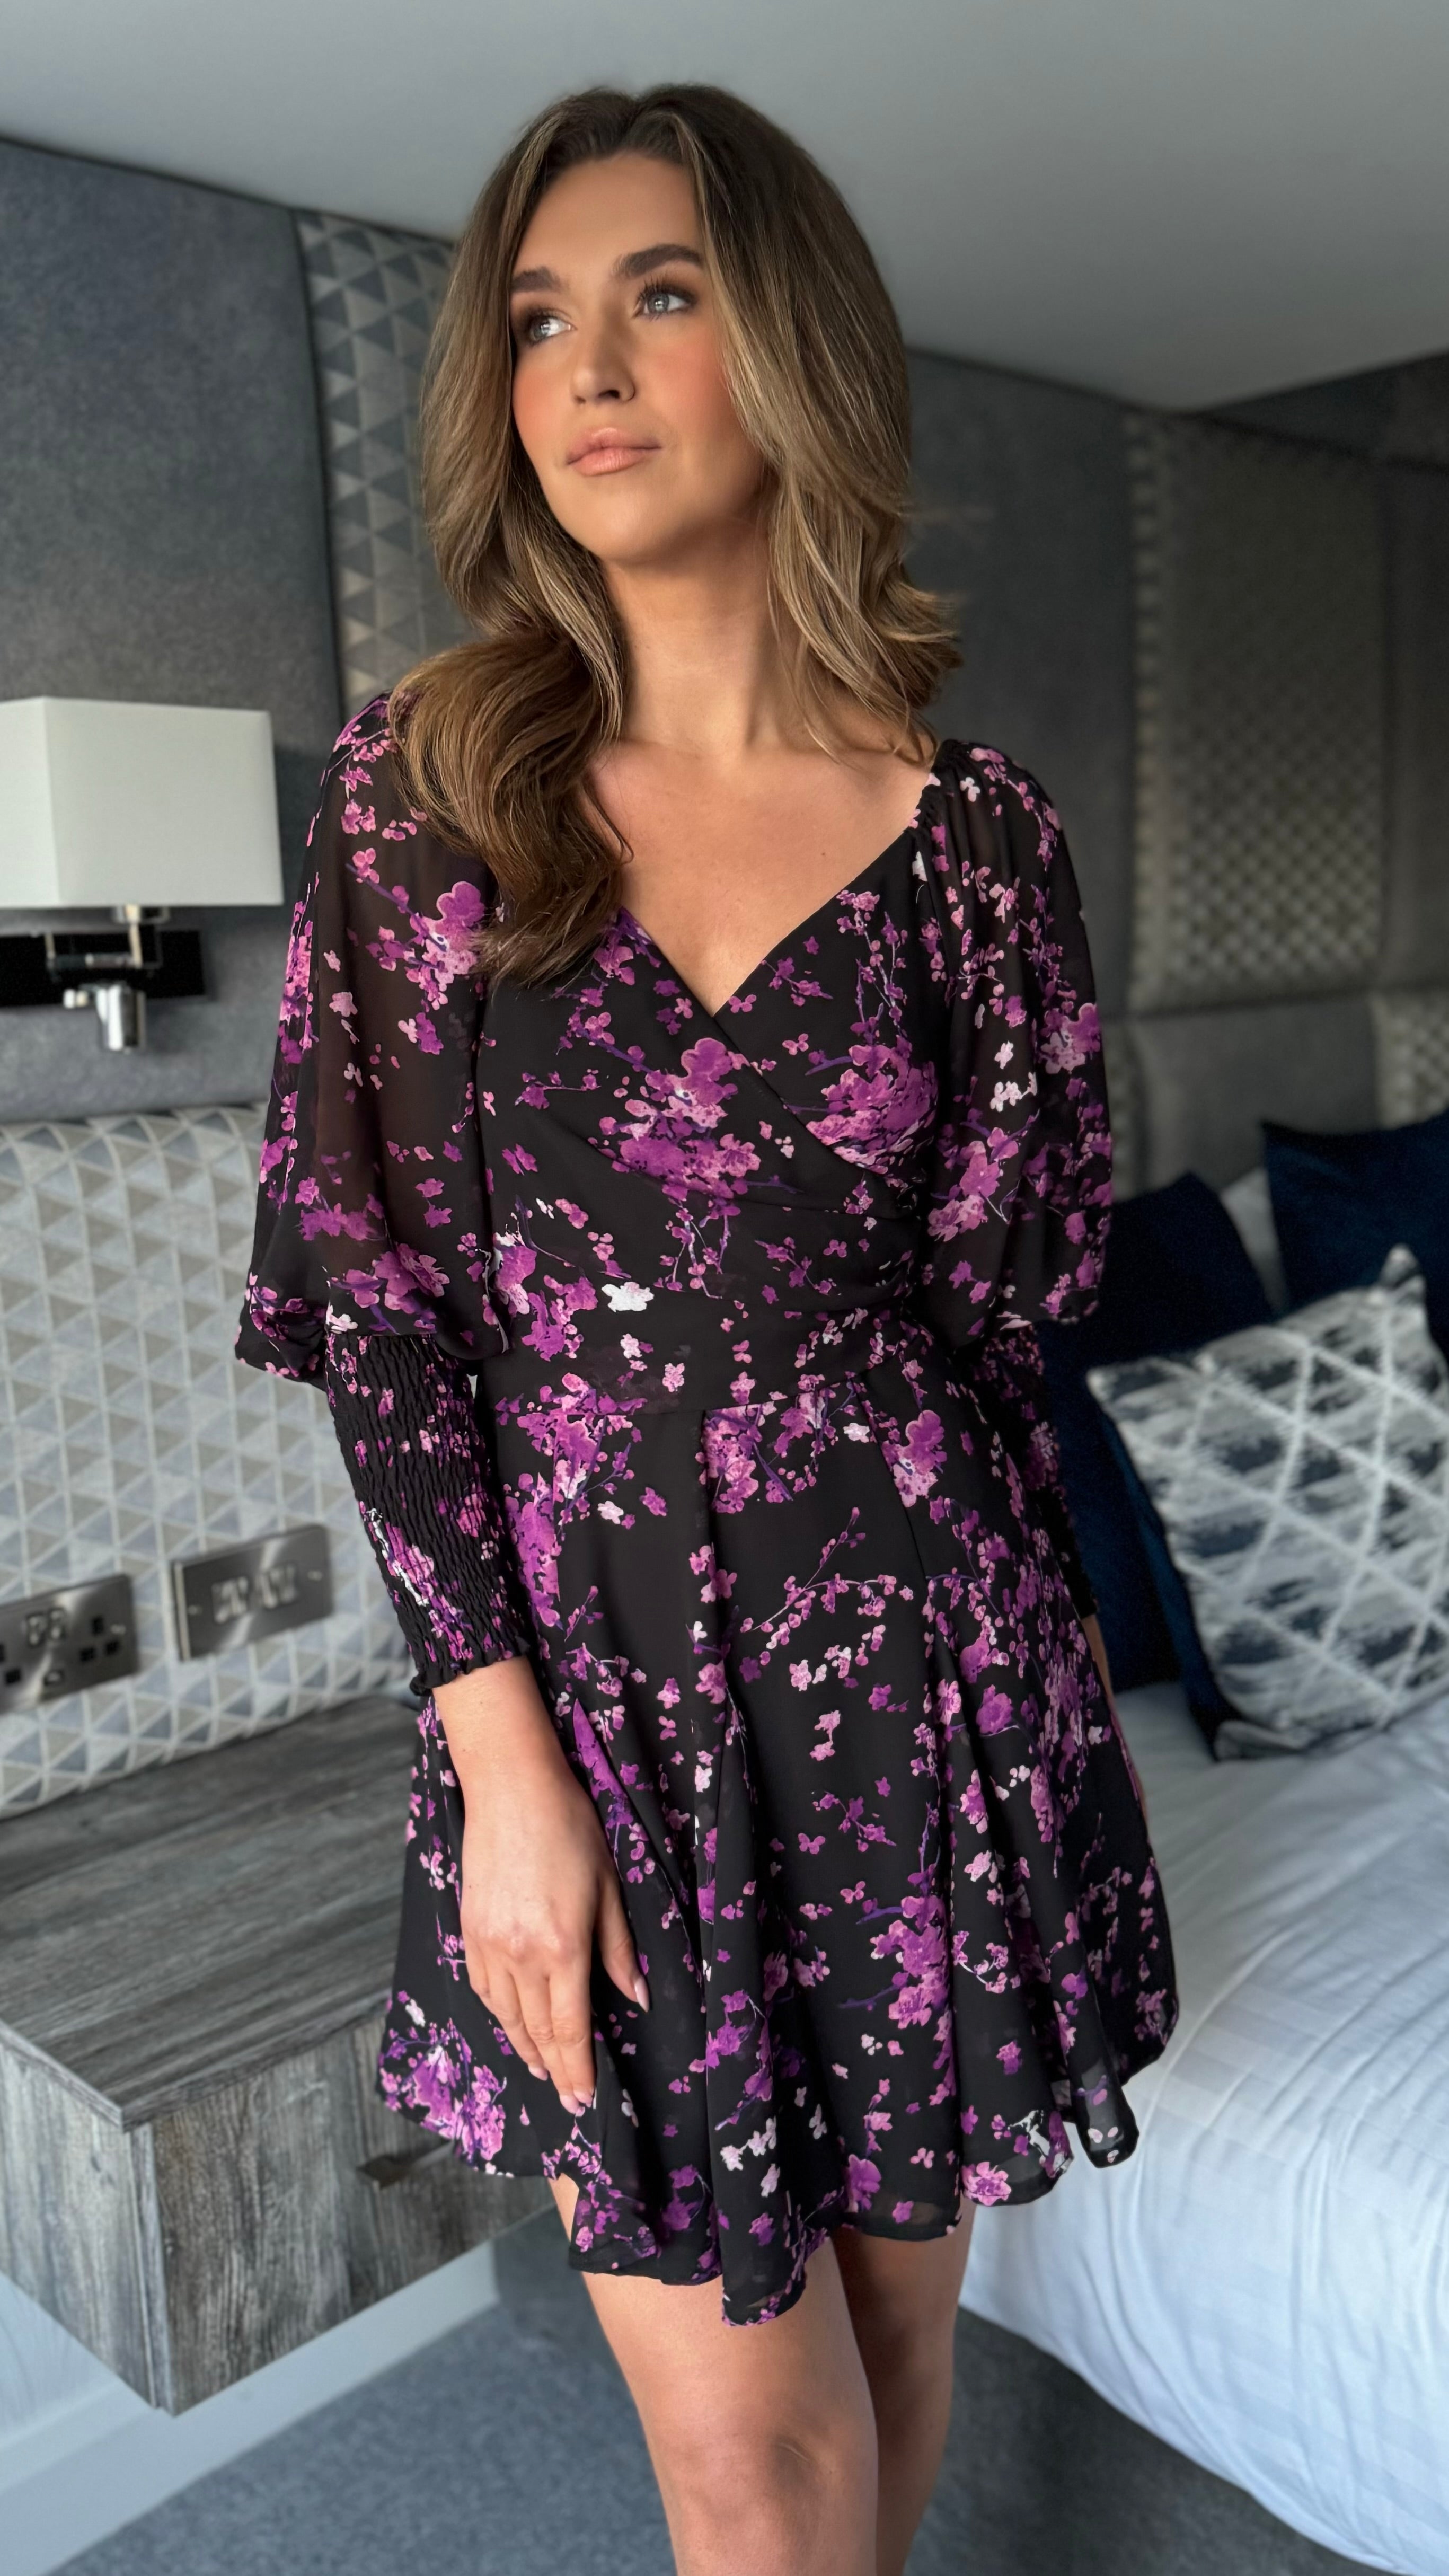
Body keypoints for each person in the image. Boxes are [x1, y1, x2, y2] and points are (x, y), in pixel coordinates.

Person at [238, 81, 1177, 2576]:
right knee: (745, 2454)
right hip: (604, 1707)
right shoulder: (428, 792)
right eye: (538, 316)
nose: (589, 366)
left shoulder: (980, 843)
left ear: (792, 349)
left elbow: (1004, 1312)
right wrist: (501, 1765)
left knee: (888, 2357)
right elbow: (382, 1313)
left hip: (928, 1679)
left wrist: (1031, 1720)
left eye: (660, 294)